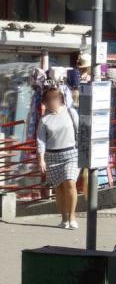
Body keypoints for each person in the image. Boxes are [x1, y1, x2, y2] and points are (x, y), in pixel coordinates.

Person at [36, 87, 80, 230]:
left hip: (71, 154)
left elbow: (80, 131)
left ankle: (72, 217)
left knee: (70, 183)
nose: (50, 102)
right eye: (47, 100)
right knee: (59, 189)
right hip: (52, 157)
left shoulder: (71, 112)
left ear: (60, 98)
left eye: (54, 98)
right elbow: (41, 140)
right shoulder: (44, 120)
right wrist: (41, 159)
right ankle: (64, 218)